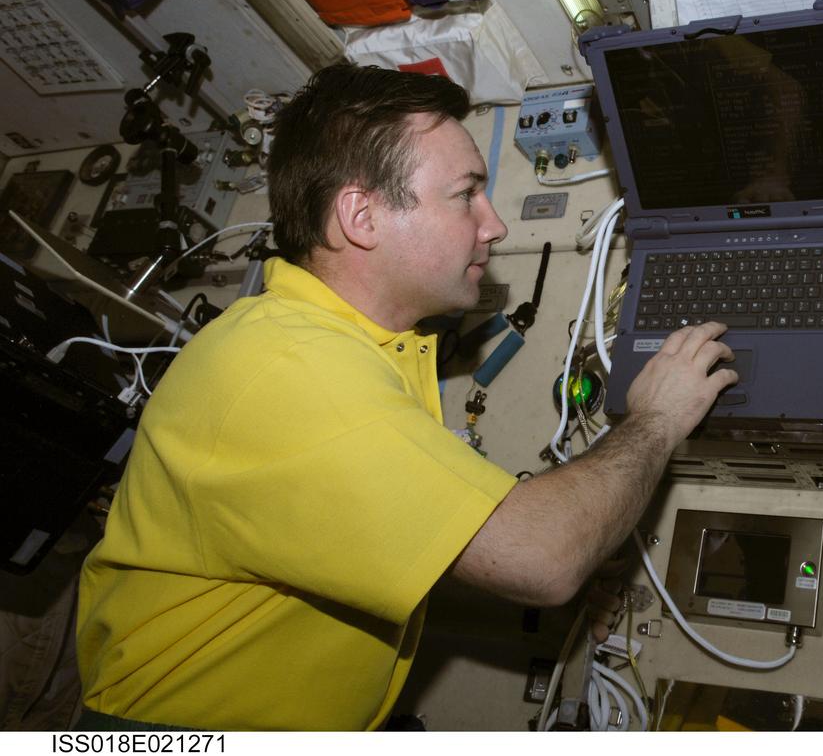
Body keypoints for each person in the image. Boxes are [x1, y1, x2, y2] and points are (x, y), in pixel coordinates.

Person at [75, 64, 737, 731]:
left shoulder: (355, 348)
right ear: (361, 216)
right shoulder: (290, 368)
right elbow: (544, 558)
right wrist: (657, 416)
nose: (496, 225)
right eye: (466, 195)